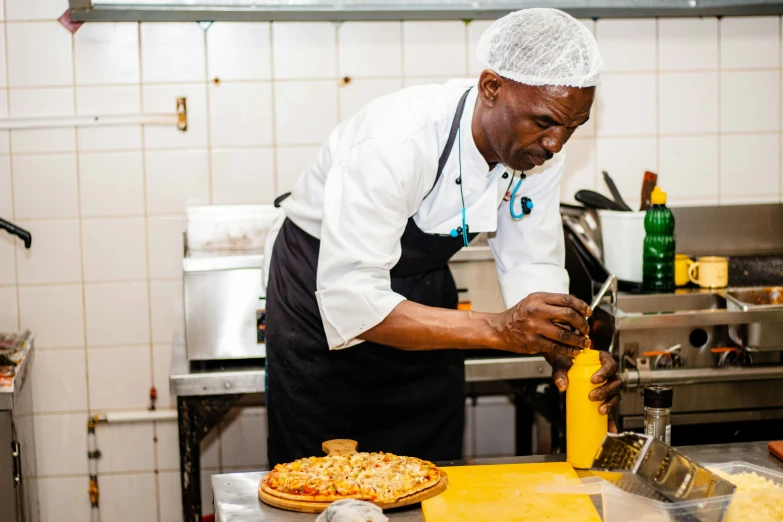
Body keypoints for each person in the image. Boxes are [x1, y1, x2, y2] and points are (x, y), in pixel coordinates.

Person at [263, 8, 621, 467]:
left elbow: (531, 261)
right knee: (322, 479)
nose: (556, 144)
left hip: (422, 291)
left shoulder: (538, 152)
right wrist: (499, 328)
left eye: (572, 128)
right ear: (491, 87)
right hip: (320, 298)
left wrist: (569, 353)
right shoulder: (396, 140)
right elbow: (353, 299)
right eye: (545, 122)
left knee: (429, 473)